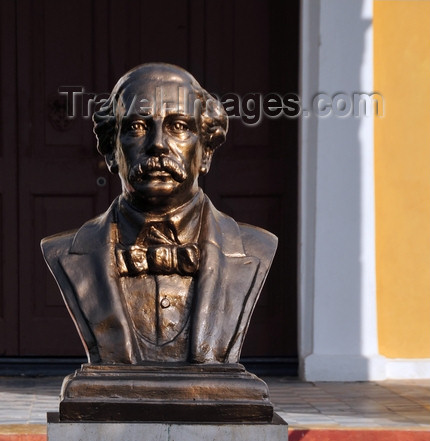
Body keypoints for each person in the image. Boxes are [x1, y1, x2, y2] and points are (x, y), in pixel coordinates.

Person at [41, 63, 277, 365]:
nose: (157, 145)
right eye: (136, 127)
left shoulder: (257, 248)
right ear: (113, 150)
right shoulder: (63, 251)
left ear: (205, 150)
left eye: (178, 126)